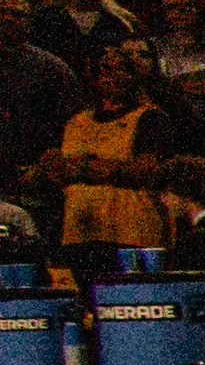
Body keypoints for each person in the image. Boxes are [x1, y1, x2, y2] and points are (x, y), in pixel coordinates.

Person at [49, 47, 175, 258]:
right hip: (79, 232)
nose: (114, 77)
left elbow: (146, 172)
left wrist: (84, 168)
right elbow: (59, 172)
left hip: (132, 232)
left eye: (123, 70)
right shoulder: (76, 122)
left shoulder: (151, 118)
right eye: (106, 69)